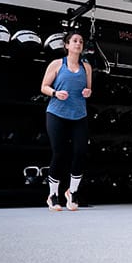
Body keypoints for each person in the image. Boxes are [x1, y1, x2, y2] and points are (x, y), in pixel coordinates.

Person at [40, 31, 92, 211]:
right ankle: (53, 194)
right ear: (67, 45)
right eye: (75, 41)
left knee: (80, 152)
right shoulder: (57, 64)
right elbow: (44, 87)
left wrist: (87, 92)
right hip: (56, 113)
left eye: (81, 41)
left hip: (79, 114)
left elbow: (88, 90)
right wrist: (55, 93)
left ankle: (72, 192)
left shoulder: (87, 67)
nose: (78, 44)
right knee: (59, 153)